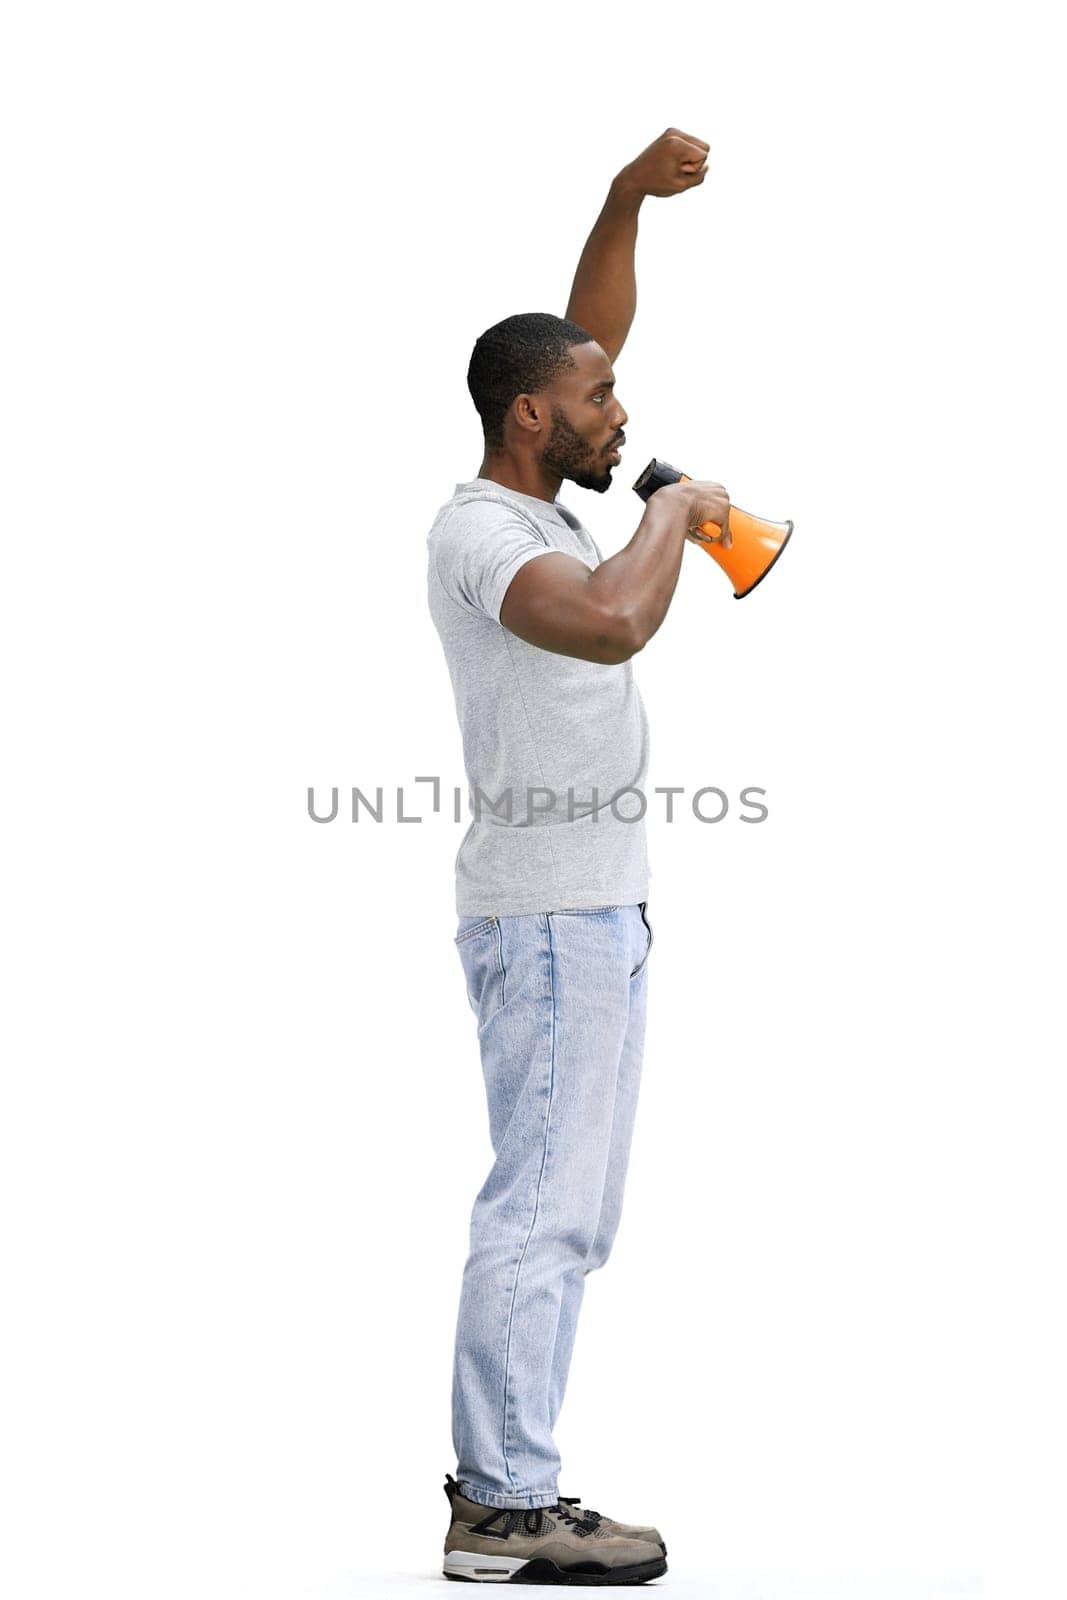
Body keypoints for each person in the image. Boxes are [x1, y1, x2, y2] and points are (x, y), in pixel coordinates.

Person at [426, 127, 731, 1586]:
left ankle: (515, 1486)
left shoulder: (538, 481)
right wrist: (676, 508)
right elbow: (611, 619)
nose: (621, 406)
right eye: (598, 399)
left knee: (572, 1211)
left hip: (592, 911)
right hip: (549, 918)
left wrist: (621, 203)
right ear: (532, 419)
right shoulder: (485, 533)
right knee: (542, 1209)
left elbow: (585, 326)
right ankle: (503, 1505)